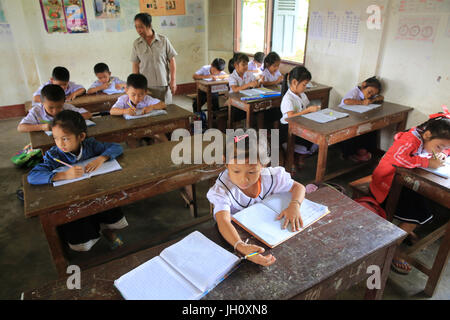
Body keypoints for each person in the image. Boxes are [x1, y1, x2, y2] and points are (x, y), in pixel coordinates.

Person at [27, 110, 128, 251]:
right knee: (78, 215)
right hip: (71, 197)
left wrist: (101, 158)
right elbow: (32, 176)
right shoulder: (54, 155)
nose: (60, 143)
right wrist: (63, 175)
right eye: (56, 138)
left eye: (65, 138)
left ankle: (107, 229)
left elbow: (116, 147)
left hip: (95, 188)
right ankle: (86, 239)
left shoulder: (90, 145)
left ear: (81, 136)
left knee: (105, 199)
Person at [206, 131, 306, 266]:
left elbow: (298, 187)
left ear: (263, 164)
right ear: (226, 162)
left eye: (252, 172)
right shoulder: (222, 190)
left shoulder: (271, 177)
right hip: (236, 238)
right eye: (236, 171)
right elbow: (223, 221)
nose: (244, 179)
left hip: (268, 234)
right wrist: (241, 246)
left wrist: (294, 205)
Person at [370, 112, 450, 274]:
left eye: (445, 148)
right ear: (427, 134)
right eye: (439, 147)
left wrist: (440, 154)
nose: (441, 150)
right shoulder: (411, 138)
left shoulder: (426, 137)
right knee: (421, 213)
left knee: (425, 201)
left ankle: (404, 228)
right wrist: (427, 162)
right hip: (387, 183)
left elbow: (428, 152)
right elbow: (398, 159)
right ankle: (391, 247)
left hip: (402, 180)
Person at [131, 13, 177, 103]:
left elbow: (172, 60)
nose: (138, 30)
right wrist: (136, 84)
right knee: (149, 111)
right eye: (136, 27)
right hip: (145, 86)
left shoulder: (163, 40)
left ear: (149, 25)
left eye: (141, 27)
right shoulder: (136, 44)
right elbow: (135, 65)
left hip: (163, 84)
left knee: (166, 110)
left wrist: (173, 80)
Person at [279, 66, 320, 162]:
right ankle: (297, 158)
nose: (305, 88)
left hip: (300, 126)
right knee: (309, 143)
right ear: (294, 82)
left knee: (316, 139)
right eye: (304, 85)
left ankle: (299, 157)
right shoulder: (288, 98)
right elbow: (290, 117)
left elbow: (306, 107)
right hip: (288, 130)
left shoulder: (302, 95)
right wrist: (308, 111)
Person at [339, 77, 385, 162]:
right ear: (363, 85)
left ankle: (364, 150)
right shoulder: (355, 91)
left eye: (372, 94)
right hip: (344, 116)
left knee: (372, 127)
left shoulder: (370, 95)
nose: (369, 95)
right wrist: (361, 102)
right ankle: (349, 154)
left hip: (356, 116)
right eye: (369, 92)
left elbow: (381, 97)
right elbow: (346, 101)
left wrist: (373, 99)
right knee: (351, 131)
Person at [18, 84, 91, 132]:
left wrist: (69, 120)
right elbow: (21, 128)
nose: (55, 111)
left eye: (59, 106)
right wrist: (43, 127)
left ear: (64, 102)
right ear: (42, 102)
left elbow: (88, 114)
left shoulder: (67, 107)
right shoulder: (36, 111)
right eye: (51, 107)